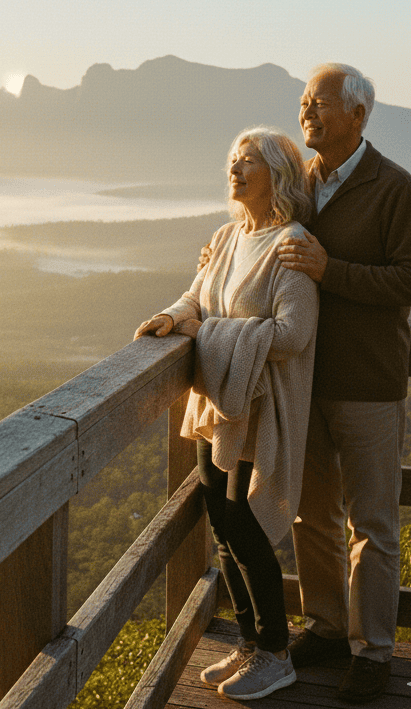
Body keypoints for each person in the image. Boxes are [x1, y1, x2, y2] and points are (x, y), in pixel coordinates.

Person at [135, 126, 319, 700]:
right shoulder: (228, 236)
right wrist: (170, 320)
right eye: (232, 162)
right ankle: (248, 641)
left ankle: (275, 653)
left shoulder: (289, 245)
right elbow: (195, 297)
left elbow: (295, 333)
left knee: (245, 528)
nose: (234, 171)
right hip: (217, 407)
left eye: (248, 164)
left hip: (256, 412)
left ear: (278, 177)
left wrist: (206, 332)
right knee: (222, 524)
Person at [276, 63, 411, 703]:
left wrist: (332, 271)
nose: (306, 111)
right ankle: (327, 628)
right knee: (312, 517)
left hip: (369, 384)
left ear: (358, 115)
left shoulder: (396, 189)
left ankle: (374, 651)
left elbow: (405, 282)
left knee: (373, 526)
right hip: (304, 382)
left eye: (320, 102)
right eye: (304, 100)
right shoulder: (297, 184)